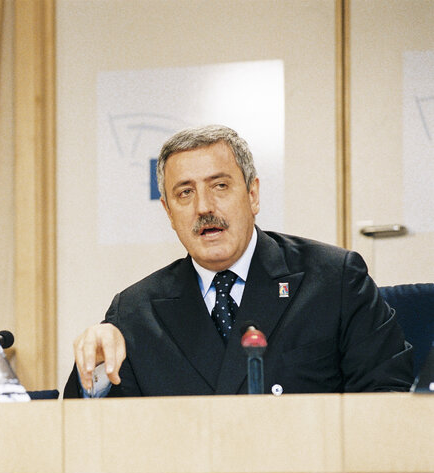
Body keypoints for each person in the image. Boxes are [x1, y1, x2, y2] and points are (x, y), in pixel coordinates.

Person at [64, 125, 414, 398]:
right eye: (185, 192)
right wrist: (96, 376)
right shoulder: (135, 312)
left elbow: (387, 394)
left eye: (219, 186)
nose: (203, 208)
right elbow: (96, 436)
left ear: (252, 194)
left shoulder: (334, 279)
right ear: (169, 213)